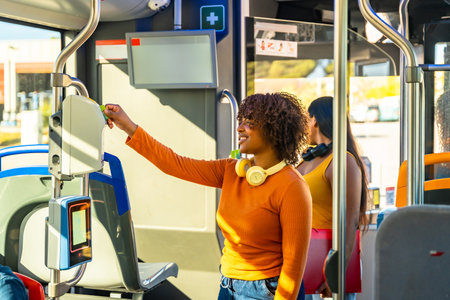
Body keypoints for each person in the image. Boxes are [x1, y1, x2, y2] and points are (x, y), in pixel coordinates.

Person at [104, 93, 312, 300]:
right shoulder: (231, 170)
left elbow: (293, 268)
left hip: (267, 290)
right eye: (241, 121)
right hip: (227, 285)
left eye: (250, 123)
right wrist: (128, 126)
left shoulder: (292, 186)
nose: (240, 128)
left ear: (274, 130)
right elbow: (174, 164)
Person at [296, 97, 368, 300]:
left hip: (330, 260)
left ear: (315, 120)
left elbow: (350, 220)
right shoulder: (309, 159)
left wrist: (336, 272)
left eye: (305, 120)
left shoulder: (342, 160)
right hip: (304, 258)